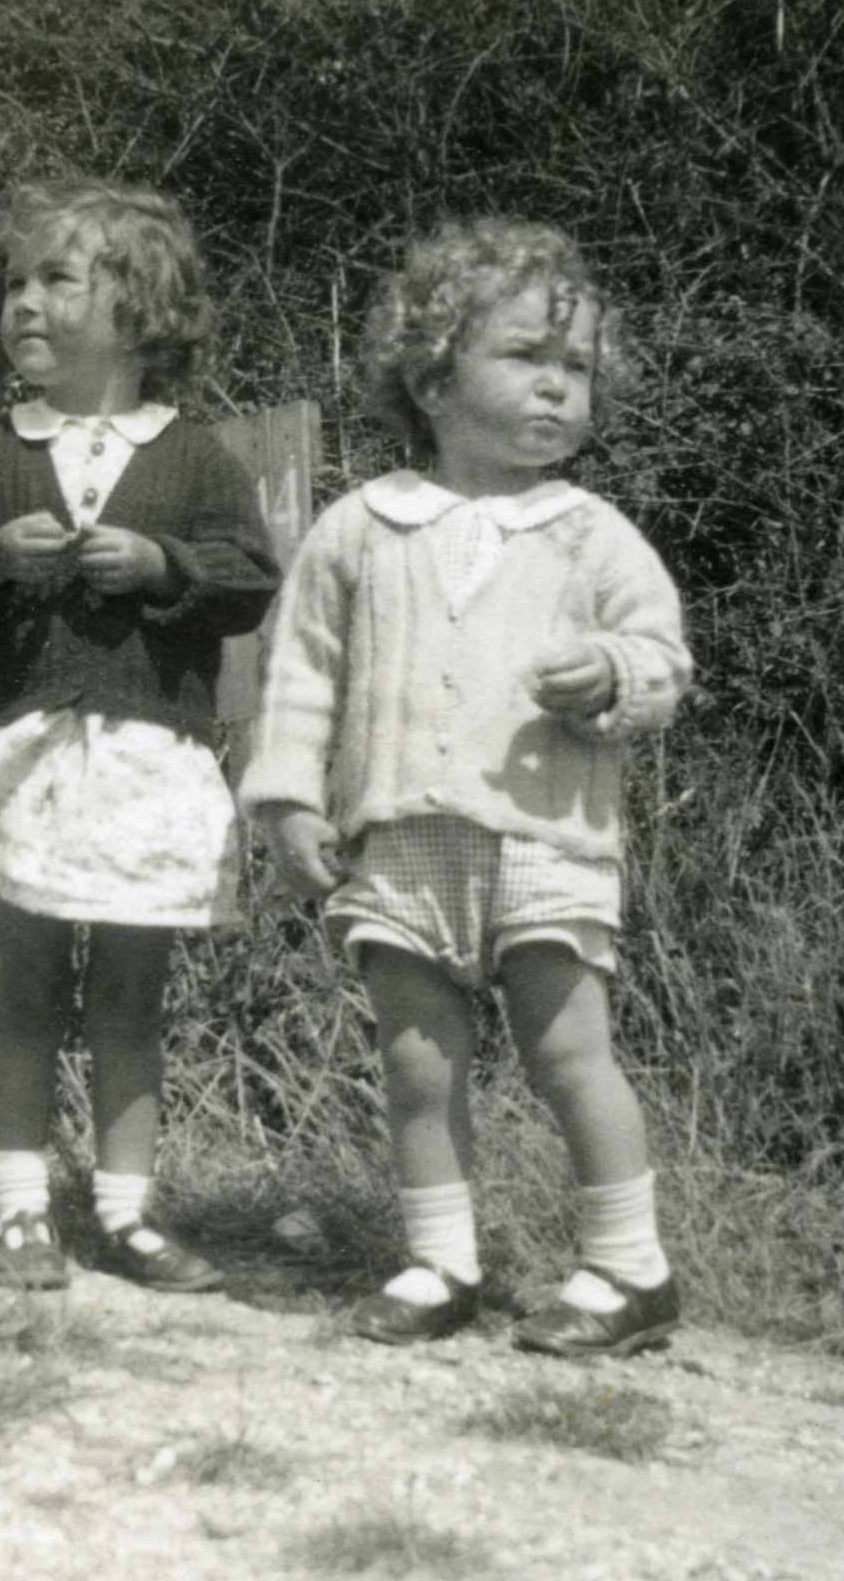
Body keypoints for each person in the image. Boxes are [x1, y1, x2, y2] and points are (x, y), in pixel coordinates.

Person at [240, 219, 693, 1356]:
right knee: (416, 1058)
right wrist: (290, 796)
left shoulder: (591, 534)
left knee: (566, 1050)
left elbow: (663, 660)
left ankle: (631, 1269)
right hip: (398, 840)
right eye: (527, 358)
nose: (556, 389)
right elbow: (302, 674)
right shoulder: (360, 527)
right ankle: (442, 1262)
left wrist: (612, 676)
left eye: (577, 368)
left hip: (545, 839)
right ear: (435, 376)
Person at [0, 178, 279, 1294]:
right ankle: (22, 1215)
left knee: (128, 997)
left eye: (56, 279)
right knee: (25, 991)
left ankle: (128, 1215)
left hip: (149, 759)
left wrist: (166, 566)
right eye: (12, 282)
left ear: (140, 306)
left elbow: (251, 578)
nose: (24, 302)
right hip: (26, 756)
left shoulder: (195, 455)